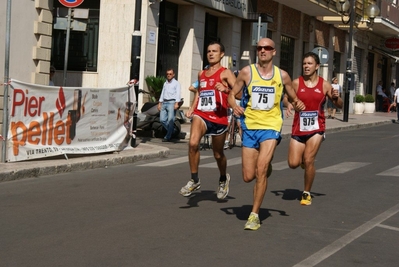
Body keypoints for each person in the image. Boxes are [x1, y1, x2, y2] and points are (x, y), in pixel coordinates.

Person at [228, 38, 305, 230]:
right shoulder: (247, 72)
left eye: (267, 48)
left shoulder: (282, 75)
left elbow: (293, 97)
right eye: (260, 48)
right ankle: (265, 165)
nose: (263, 51)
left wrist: (297, 105)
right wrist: (234, 106)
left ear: (274, 52)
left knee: (260, 170)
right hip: (250, 126)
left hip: (271, 126)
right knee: (248, 176)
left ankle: (254, 215)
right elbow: (231, 94)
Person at [179, 41, 236, 200]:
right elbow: (200, 92)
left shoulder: (226, 73)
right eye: (209, 51)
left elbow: (239, 93)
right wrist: (192, 107)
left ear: (222, 54)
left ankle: (223, 178)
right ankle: (194, 179)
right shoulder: (201, 74)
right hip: (202, 114)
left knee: (218, 154)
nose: (211, 54)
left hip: (219, 117)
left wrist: (225, 89)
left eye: (214, 51)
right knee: (193, 143)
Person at [285, 52, 343, 206]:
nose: (306, 66)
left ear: (317, 66)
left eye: (310, 63)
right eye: (304, 63)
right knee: (292, 163)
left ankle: (306, 192)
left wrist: (336, 98)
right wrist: (290, 103)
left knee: (309, 159)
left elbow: (340, 104)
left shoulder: (324, 84)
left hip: (317, 127)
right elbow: (286, 97)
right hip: (299, 128)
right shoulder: (296, 83)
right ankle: (303, 162)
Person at [157, 68, 181, 142]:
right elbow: (162, 93)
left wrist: (177, 103)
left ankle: (168, 136)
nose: (168, 75)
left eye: (170, 74)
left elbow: (178, 94)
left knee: (171, 120)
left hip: (171, 102)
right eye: (167, 74)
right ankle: (172, 131)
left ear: (173, 75)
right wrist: (159, 103)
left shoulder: (176, 83)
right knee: (162, 120)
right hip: (164, 102)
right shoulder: (165, 83)